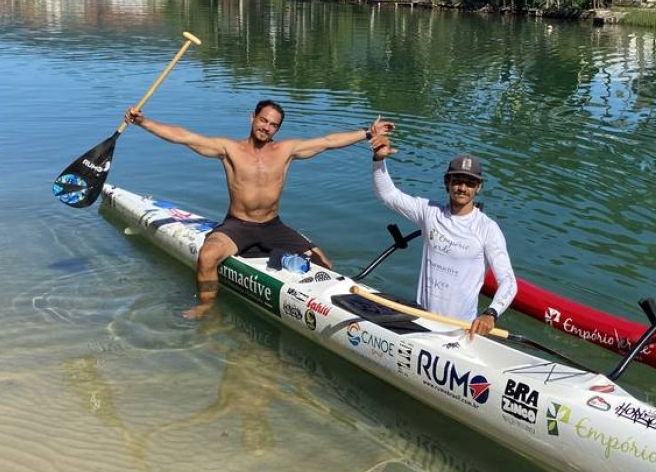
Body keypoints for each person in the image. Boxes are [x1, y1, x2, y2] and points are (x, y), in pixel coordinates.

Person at [126, 100, 394, 318]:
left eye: (273, 125)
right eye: (263, 120)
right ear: (252, 117)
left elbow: (327, 141)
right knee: (208, 257)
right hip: (237, 226)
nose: (266, 127)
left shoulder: (286, 150)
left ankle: (319, 309)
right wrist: (144, 122)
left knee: (324, 262)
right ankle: (206, 306)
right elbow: (185, 137)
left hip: (273, 226)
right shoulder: (228, 149)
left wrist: (368, 133)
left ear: (277, 129)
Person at [369, 136, 517, 338]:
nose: (462, 188)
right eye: (457, 181)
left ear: (478, 188)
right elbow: (389, 195)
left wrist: (491, 313)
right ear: (447, 183)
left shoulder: (488, 229)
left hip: (460, 329)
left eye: (470, 183)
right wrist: (378, 160)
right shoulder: (429, 211)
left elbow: (508, 281)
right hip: (421, 320)